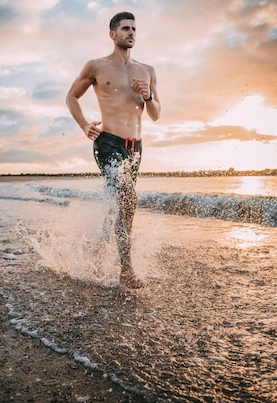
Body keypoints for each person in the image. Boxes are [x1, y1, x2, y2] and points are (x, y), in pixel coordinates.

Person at [66, 11, 161, 288]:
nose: (131, 32)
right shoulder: (96, 66)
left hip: (135, 147)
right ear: (113, 34)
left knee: (120, 203)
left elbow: (155, 114)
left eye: (134, 29)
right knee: (129, 199)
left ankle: (97, 251)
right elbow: (71, 96)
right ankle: (126, 271)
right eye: (125, 28)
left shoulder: (147, 71)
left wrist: (148, 95)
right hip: (108, 142)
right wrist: (84, 125)